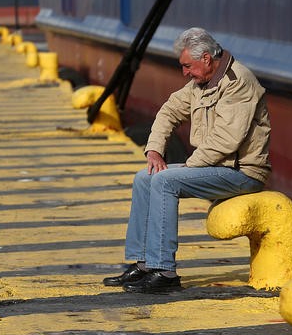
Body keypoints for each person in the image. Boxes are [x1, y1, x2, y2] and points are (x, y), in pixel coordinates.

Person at [104, 27, 271, 293]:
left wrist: (188, 167)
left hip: (241, 172)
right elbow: (169, 111)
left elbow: (226, 140)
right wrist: (154, 150)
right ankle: (144, 264)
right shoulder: (200, 83)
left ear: (206, 58)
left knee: (165, 181)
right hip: (214, 167)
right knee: (144, 177)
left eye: (187, 66)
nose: (184, 73)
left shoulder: (238, 82)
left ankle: (165, 272)